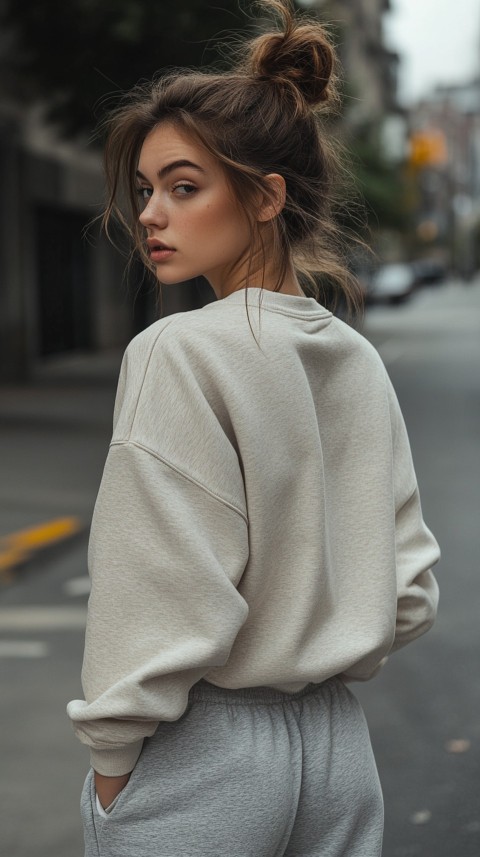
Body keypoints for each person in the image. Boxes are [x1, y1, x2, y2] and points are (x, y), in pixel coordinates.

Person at [67, 1, 440, 854]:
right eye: (146, 191)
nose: (152, 214)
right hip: (340, 751)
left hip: (206, 754)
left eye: (183, 187)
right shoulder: (352, 358)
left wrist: (114, 763)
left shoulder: (177, 352)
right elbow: (410, 589)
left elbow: (154, 589)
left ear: (266, 196)